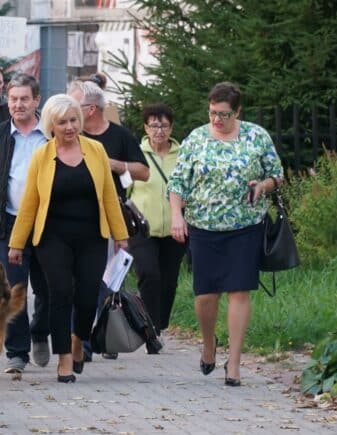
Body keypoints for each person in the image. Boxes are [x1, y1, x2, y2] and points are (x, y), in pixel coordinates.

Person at [168, 82, 283, 386]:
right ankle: (208, 345)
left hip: (245, 226)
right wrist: (176, 215)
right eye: (212, 113)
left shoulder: (256, 136)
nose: (217, 120)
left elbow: (277, 174)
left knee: (239, 290)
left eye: (224, 114)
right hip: (204, 227)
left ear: (238, 111)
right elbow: (177, 183)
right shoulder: (196, 139)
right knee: (206, 295)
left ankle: (234, 363)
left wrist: (263, 186)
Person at [7, 94, 129, 383]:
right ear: (52, 124)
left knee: (87, 298)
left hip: (92, 237)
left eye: (74, 120)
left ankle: (78, 339)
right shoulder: (42, 155)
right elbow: (30, 203)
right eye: (63, 122)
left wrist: (121, 235)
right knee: (60, 293)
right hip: (53, 238)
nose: (70, 127)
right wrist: (16, 243)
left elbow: (109, 197)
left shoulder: (96, 150)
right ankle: (63, 358)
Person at [0, 73, 52, 372]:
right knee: (13, 289)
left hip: (46, 224)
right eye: (13, 99)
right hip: (8, 223)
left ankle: (40, 331)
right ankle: (17, 352)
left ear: (36, 100)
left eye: (24, 99)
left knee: (48, 286)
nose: (17, 104)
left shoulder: (51, 134)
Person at [68, 79, 149, 361]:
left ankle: (97, 339)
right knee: (75, 281)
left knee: (104, 281)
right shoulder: (69, 134)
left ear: (90, 109)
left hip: (110, 216)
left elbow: (143, 171)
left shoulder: (119, 136)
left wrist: (112, 163)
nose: (69, 112)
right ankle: (81, 339)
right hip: (74, 216)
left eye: (74, 105)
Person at [128, 103, 187, 341]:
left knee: (168, 281)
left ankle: (160, 325)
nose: (159, 131)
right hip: (143, 228)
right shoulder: (136, 154)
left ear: (171, 127)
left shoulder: (183, 155)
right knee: (149, 274)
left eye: (164, 125)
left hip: (176, 228)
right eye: (154, 125)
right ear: (146, 127)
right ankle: (150, 328)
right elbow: (125, 190)